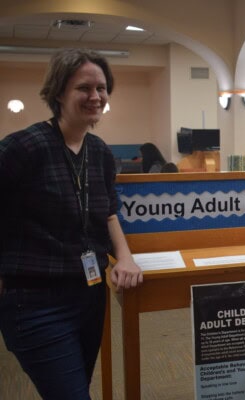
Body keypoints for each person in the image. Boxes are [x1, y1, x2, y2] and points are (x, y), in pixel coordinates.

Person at [0, 48, 144, 399]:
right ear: (59, 92)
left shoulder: (100, 152)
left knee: (76, 387)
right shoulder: (24, 147)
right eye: (84, 88)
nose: (95, 96)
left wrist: (125, 257)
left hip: (89, 296)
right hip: (34, 301)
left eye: (102, 88)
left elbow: (109, 213)